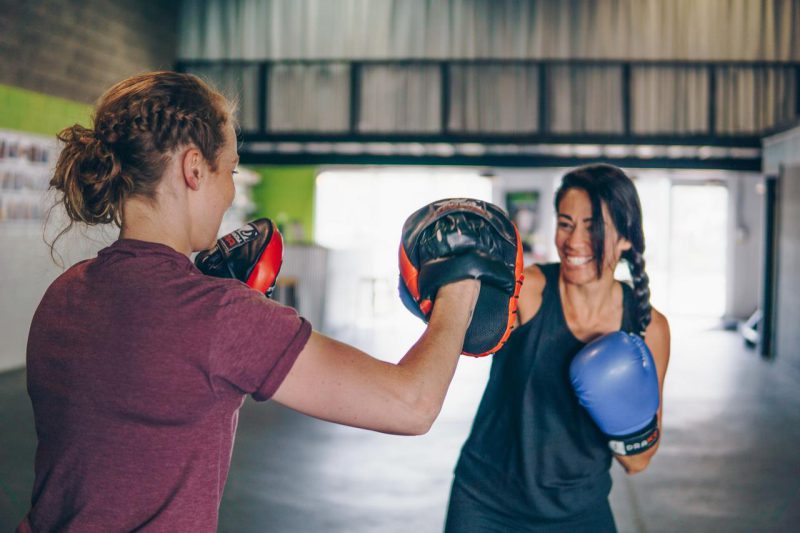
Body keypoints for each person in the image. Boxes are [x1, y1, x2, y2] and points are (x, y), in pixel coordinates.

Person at [19, 71, 485, 532]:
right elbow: (412, 404)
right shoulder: (217, 315)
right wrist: (460, 286)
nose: (230, 191)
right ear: (194, 168)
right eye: (232, 170)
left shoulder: (65, 293)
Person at [444, 164, 671, 532]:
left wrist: (619, 407)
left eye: (593, 226)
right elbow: (465, 323)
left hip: (580, 510)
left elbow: (638, 460)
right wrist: (455, 279)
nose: (574, 242)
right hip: (487, 504)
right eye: (566, 223)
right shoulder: (529, 290)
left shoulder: (649, 328)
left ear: (626, 238)